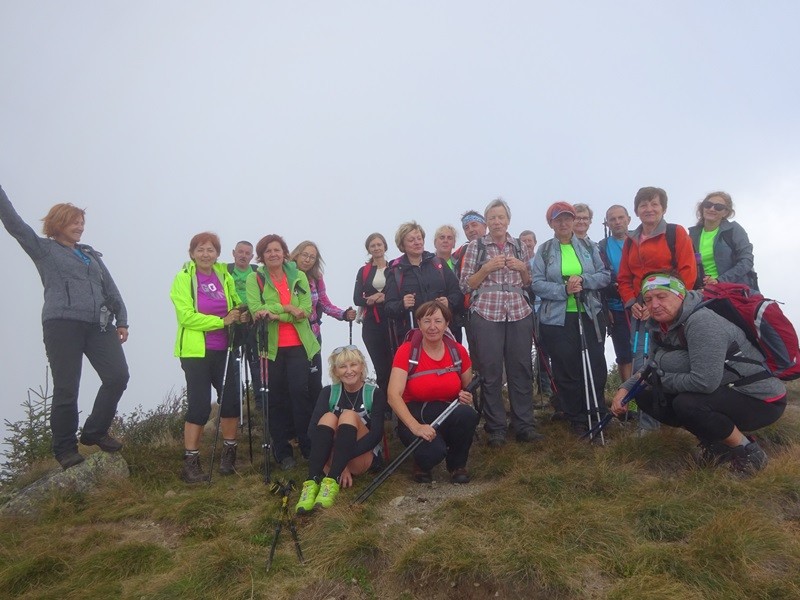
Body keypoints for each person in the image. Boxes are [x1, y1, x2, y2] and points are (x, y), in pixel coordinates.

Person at [0, 185, 130, 470]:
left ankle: (95, 431)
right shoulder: (43, 249)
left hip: (99, 325)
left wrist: (122, 320)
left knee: (118, 376)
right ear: (57, 223)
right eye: (74, 222)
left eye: (82, 222)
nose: (80, 227)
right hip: (62, 324)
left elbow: (110, 288)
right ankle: (65, 448)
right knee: (67, 388)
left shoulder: (90, 255)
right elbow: (14, 225)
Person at [611, 273, 786, 473]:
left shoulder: (701, 322)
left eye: (662, 296)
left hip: (761, 399)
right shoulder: (659, 326)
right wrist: (625, 389)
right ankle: (717, 445)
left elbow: (705, 382)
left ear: (680, 295)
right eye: (648, 299)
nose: (655, 304)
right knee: (644, 395)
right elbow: (650, 366)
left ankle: (748, 451)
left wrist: (661, 380)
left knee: (687, 403)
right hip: (724, 393)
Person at [459, 198, 543, 447]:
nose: (497, 221)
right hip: (486, 313)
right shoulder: (476, 247)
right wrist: (485, 269)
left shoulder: (519, 246)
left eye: (501, 217)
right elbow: (465, 284)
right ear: (487, 222)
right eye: (492, 217)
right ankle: (495, 427)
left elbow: (528, 283)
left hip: (518, 312)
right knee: (490, 370)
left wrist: (522, 269)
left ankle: (524, 425)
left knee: (521, 369)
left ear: (508, 220)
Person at [617, 187, 697, 433]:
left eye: (653, 204)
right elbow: (624, 278)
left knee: (675, 361)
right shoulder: (631, 240)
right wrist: (633, 303)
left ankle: (685, 418)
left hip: (674, 310)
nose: (648, 209)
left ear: (663, 207)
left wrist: (662, 305)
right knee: (642, 363)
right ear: (636, 210)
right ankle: (649, 426)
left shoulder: (676, 233)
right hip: (641, 310)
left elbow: (688, 272)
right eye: (643, 205)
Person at [170, 232, 247, 482]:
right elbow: (186, 316)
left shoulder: (224, 276)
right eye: (201, 249)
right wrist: (221, 321)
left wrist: (239, 313)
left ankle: (229, 453)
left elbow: (235, 303)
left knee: (231, 401)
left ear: (217, 254)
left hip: (225, 349)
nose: (206, 254)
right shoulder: (184, 278)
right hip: (195, 352)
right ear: (192, 253)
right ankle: (190, 462)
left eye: (211, 250)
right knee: (199, 405)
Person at [532, 202, 611, 437]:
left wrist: (584, 281)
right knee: (567, 367)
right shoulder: (545, 250)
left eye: (568, 218)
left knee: (595, 363)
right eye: (558, 219)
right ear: (551, 223)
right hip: (557, 319)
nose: (564, 223)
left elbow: (605, 275)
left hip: (589, 313)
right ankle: (576, 416)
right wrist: (564, 289)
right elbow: (536, 283)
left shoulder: (588, 246)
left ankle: (596, 410)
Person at [246, 234, 320, 470]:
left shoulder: (298, 276)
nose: (273, 254)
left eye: (277, 250)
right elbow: (256, 309)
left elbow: (306, 310)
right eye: (268, 251)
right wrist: (288, 308)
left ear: (285, 252)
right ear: (262, 256)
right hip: (270, 348)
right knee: (275, 399)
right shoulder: (254, 279)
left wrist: (277, 315)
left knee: (300, 394)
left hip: (299, 345)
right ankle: (282, 450)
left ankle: (307, 445)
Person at [387, 301, 478, 483]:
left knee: (467, 414)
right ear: (419, 324)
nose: (432, 327)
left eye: (438, 321)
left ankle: (457, 465)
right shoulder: (407, 351)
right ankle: (423, 463)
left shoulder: (458, 351)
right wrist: (416, 427)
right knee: (432, 454)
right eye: (427, 321)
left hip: (446, 410)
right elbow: (393, 396)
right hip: (415, 415)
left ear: (447, 324)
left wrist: (466, 396)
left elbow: (467, 389)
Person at [295, 346, 387, 513]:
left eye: (353, 365)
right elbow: (312, 431)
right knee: (329, 417)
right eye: (343, 366)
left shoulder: (374, 393)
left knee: (349, 415)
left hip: (360, 457)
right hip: (331, 458)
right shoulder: (328, 392)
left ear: (361, 367)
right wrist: (338, 460)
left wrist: (341, 459)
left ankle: (331, 481)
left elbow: (376, 435)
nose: (349, 371)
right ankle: (311, 483)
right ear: (335, 371)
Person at [289, 241, 356, 415]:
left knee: (313, 382)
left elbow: (324, 304)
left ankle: (317, 422)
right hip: (291, 336)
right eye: (305, 255)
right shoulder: (286, 276)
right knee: (296, 385)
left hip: (313, 336)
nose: (308, 260)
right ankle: (297, 427)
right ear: (296, 254)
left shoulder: (316, 278)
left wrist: (343, 314)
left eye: (312, 257)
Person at [384, 221, 463, 344]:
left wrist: (449, 302)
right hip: (413, 336)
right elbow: (389, 307)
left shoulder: (439, 264)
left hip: (444, 333)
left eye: (419, 238)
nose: (417, 242)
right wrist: (402, 304)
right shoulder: (395, 271)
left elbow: (457, 293)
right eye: (411, 240)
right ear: (402, 245)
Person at [688, 191, 758, 290]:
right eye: (708, 205)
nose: (712, 209)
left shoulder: (734, 230)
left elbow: (746, 261)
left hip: (732, 290)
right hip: (702, 290)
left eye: (718, 207)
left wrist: (719, 281)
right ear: (702, 207)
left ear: (725, 212)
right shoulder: (692, 235)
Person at [353, 232, 393, 395]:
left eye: (379, 244)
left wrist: (385, 297)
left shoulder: (395, 268)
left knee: (394, 364)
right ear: (368, 249)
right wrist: (373, 299)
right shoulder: (364, 271)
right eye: (373, 246)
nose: (376, 248)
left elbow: (401, 291)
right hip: (371, 323)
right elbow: (356, 298)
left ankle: (398, 403)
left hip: (392, 321)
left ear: (385, 246)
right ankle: (384, 407)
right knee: (380, 366)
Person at [599, 205, 634, 382]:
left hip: (644, 304)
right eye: (612, 219)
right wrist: (607, 309)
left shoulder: (640, 239)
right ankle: (630, 402)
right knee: (624, 354)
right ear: (607, 223)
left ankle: (649, 398)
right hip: (617, 307)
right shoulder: (602, 246)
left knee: (646, 350)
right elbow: (602, 279)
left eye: (621, 218)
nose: (617, 222)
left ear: (629, 219)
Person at [227, 240, 263, 409]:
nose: (243, 255)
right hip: (230, 323)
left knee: (256, 363)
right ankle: (235, 403)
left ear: (252, 256)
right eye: (240, 252)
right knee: (232, 365)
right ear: (233, 253)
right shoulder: (224, 271)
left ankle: (260, 405)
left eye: (247, 253)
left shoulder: (257, 273)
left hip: (252, 323)